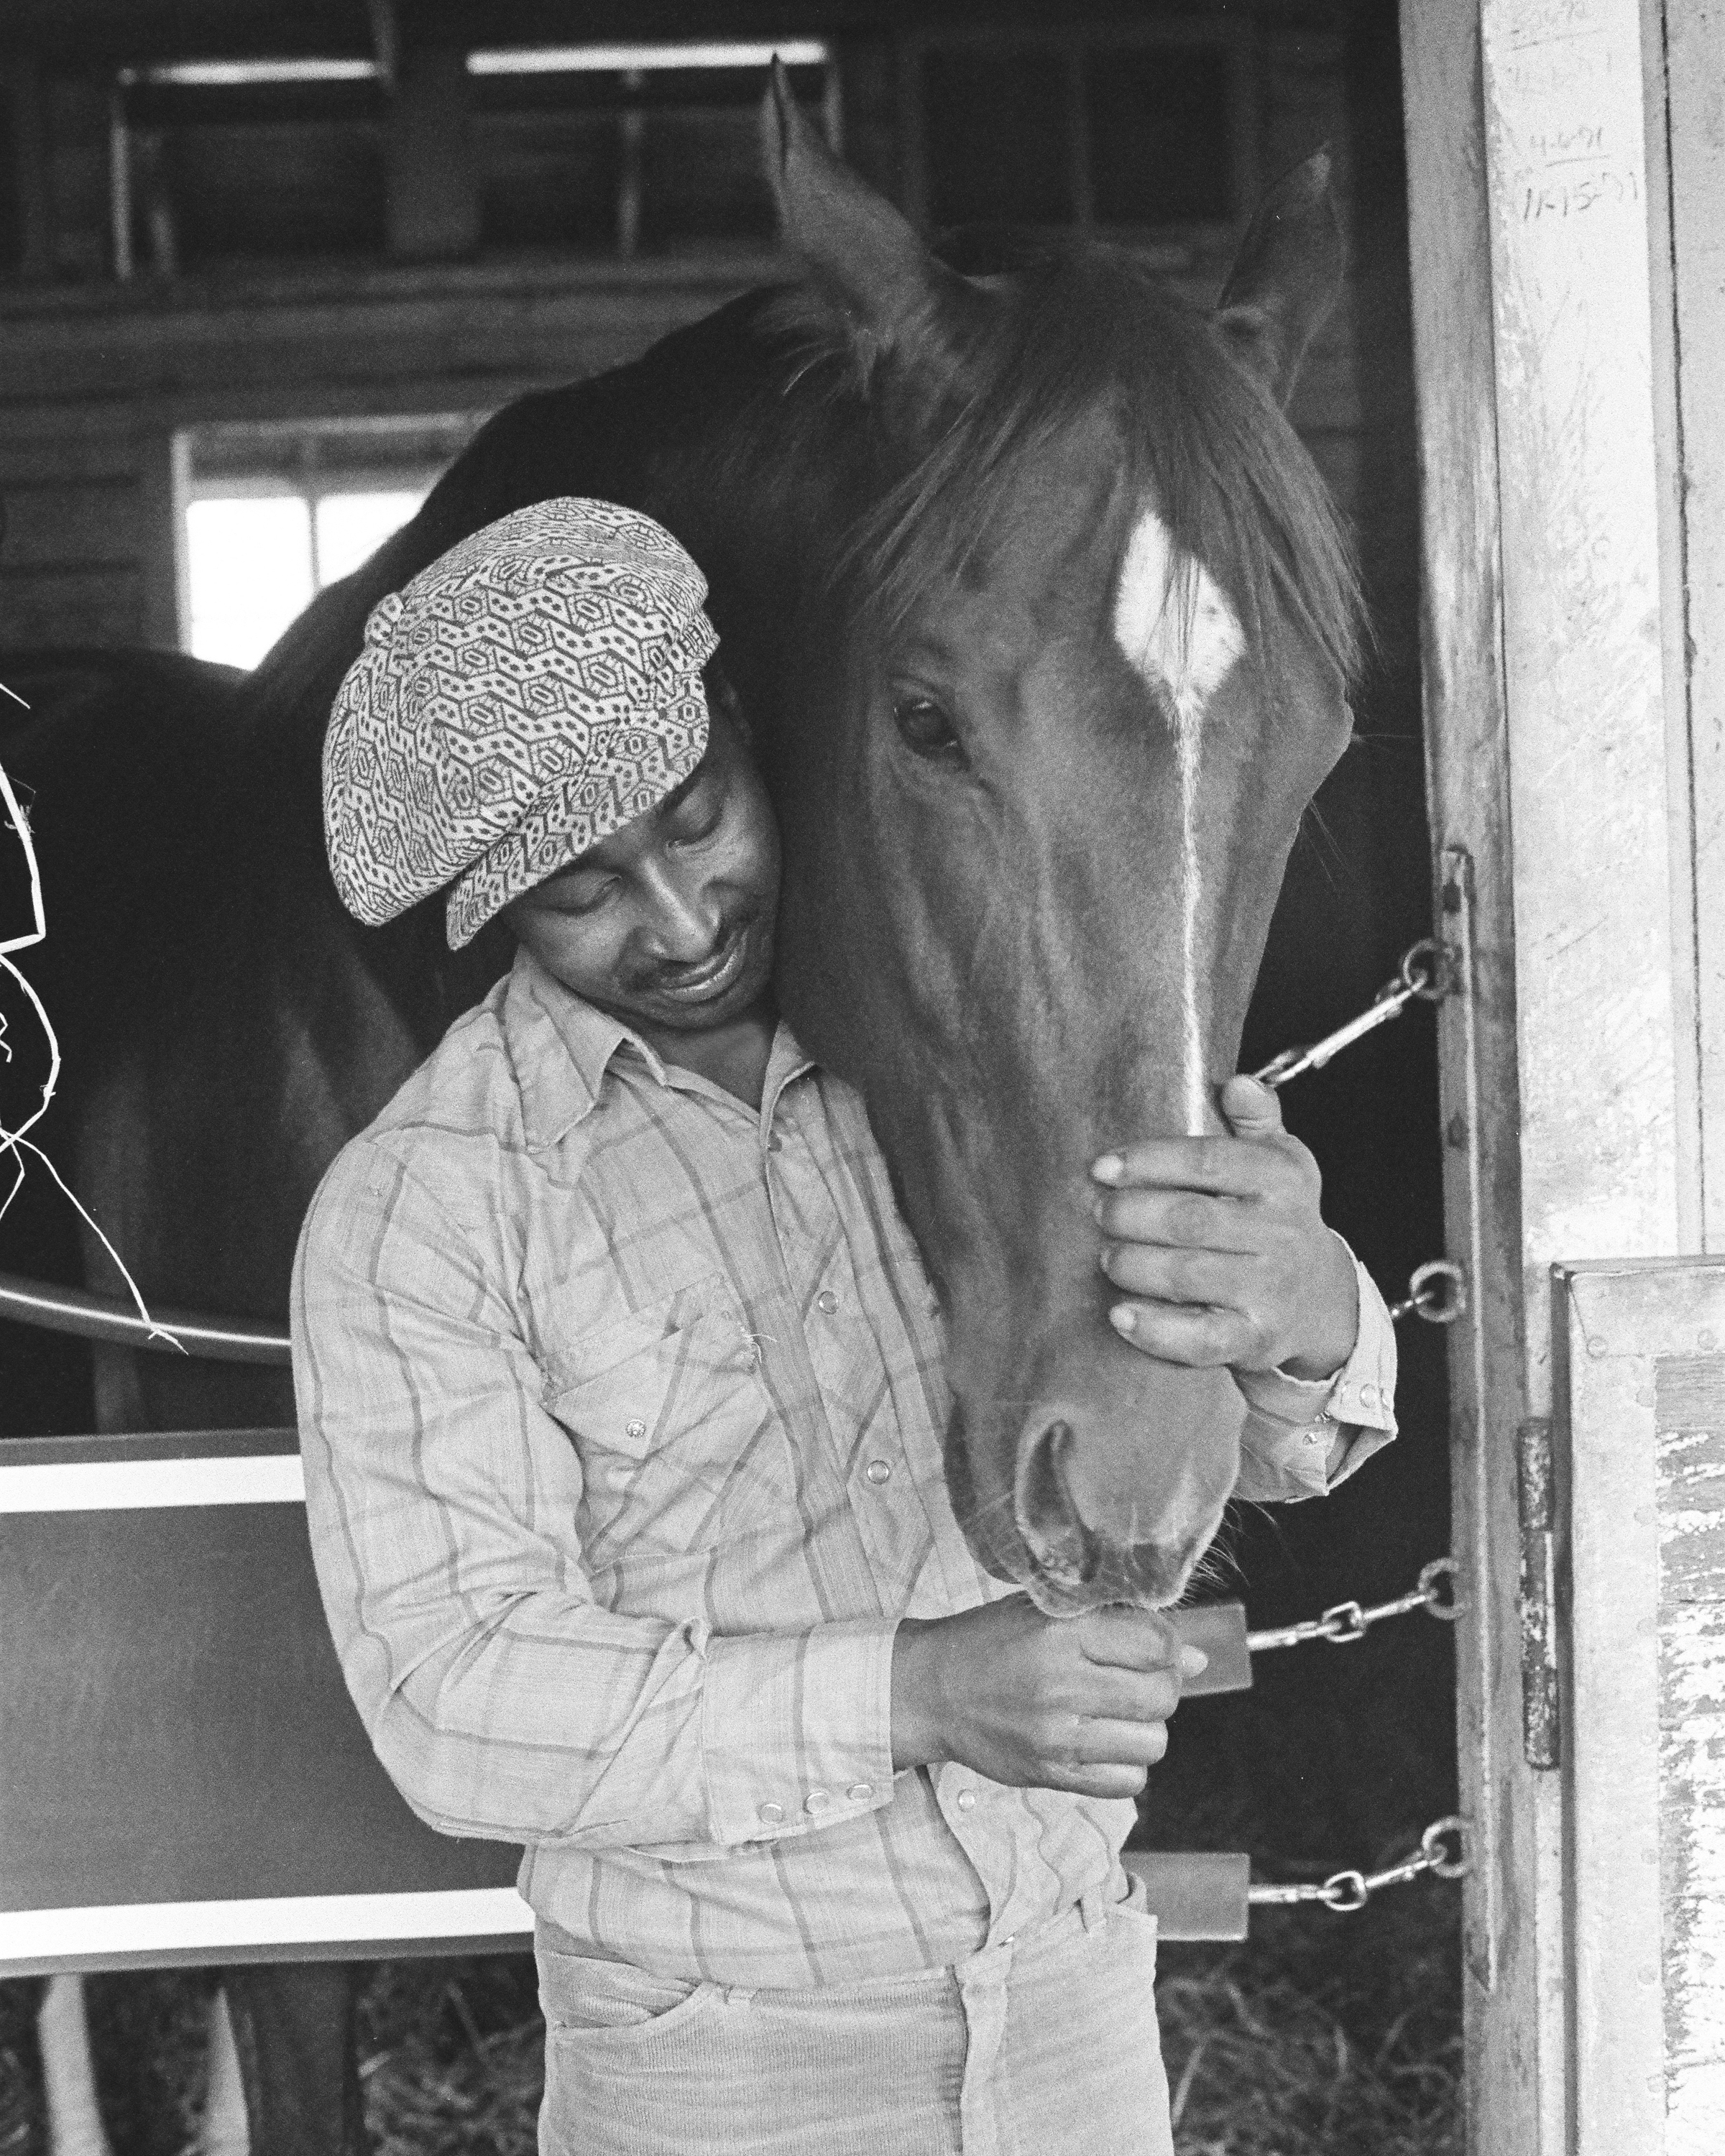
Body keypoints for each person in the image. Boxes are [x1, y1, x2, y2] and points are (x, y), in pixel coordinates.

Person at [291, 497, 1397, 2156]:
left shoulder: (966, 1055)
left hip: (1076, 2018)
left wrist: (1311, 1321)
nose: (679, 921)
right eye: (584, 891)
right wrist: (919, 1697)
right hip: (721, 2075)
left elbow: (1244, 1441)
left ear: (746, 727)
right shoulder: (428, 1208)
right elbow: (455, 1702)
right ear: (490, 915)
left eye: (698, 818)